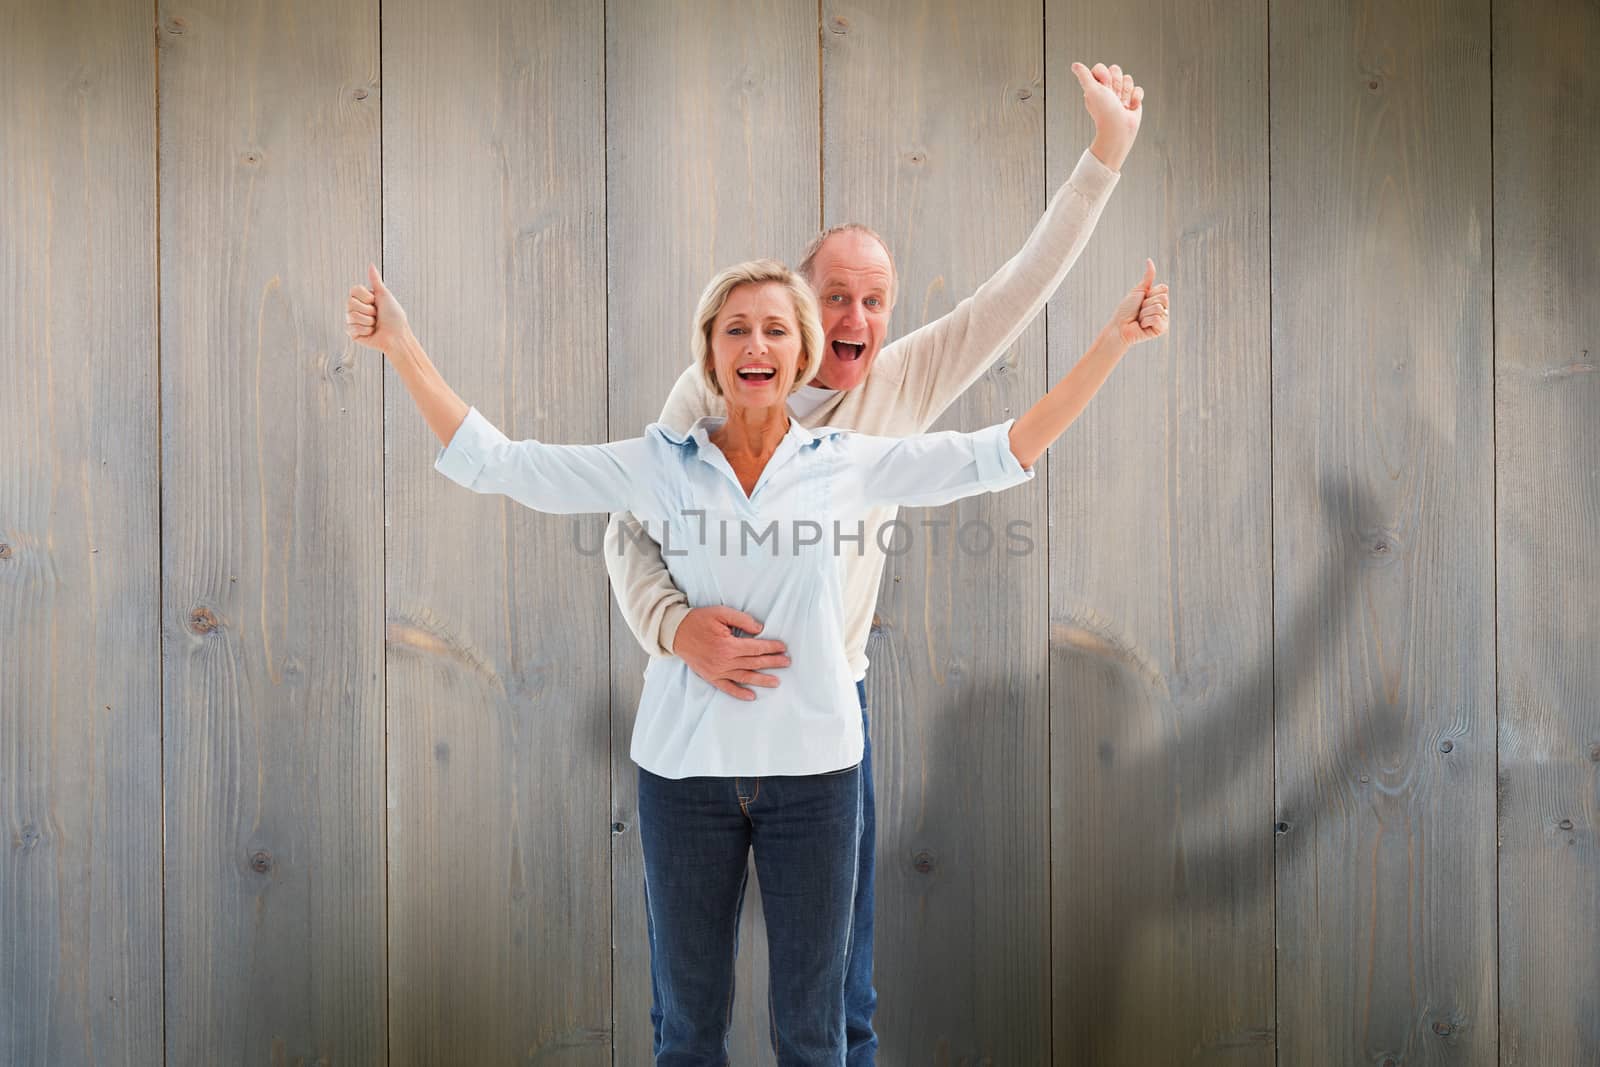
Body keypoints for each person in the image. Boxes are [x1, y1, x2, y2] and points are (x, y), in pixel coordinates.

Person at [346, 250, 1168, 1064]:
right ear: (710, 352)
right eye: (737, 328)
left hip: (816, 781)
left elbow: (1004, 452)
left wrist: (1112, 343)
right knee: (687, 1032)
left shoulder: (841, 463)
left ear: (800, 354)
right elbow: (503, 464)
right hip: (684, 778)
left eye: (777, 329)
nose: (757, 345)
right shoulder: (658, 464)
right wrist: (403, 348)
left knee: (814, 1034)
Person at [601, 60, 1149, 1063]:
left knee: (836, 1000)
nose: (854, 320)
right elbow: (627, 531)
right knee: (687, 1011)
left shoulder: (897, 385)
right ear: (797, 306)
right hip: (696, 707)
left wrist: (1103, 156)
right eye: (833, 296)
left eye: (874, 300)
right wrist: (677, 630)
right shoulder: (710, 384)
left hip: (825, 710)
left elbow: (1012, 295)